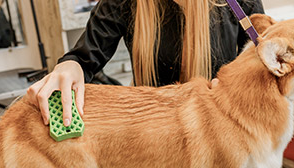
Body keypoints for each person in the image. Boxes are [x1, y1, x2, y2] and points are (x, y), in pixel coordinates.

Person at [27, 0, 264, 127]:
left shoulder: (237, 4)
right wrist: (69, 66)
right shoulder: (124, 3)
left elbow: (261, 68)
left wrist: (235, 89)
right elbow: (85, 56)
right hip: (150, 141)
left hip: (220, 142)